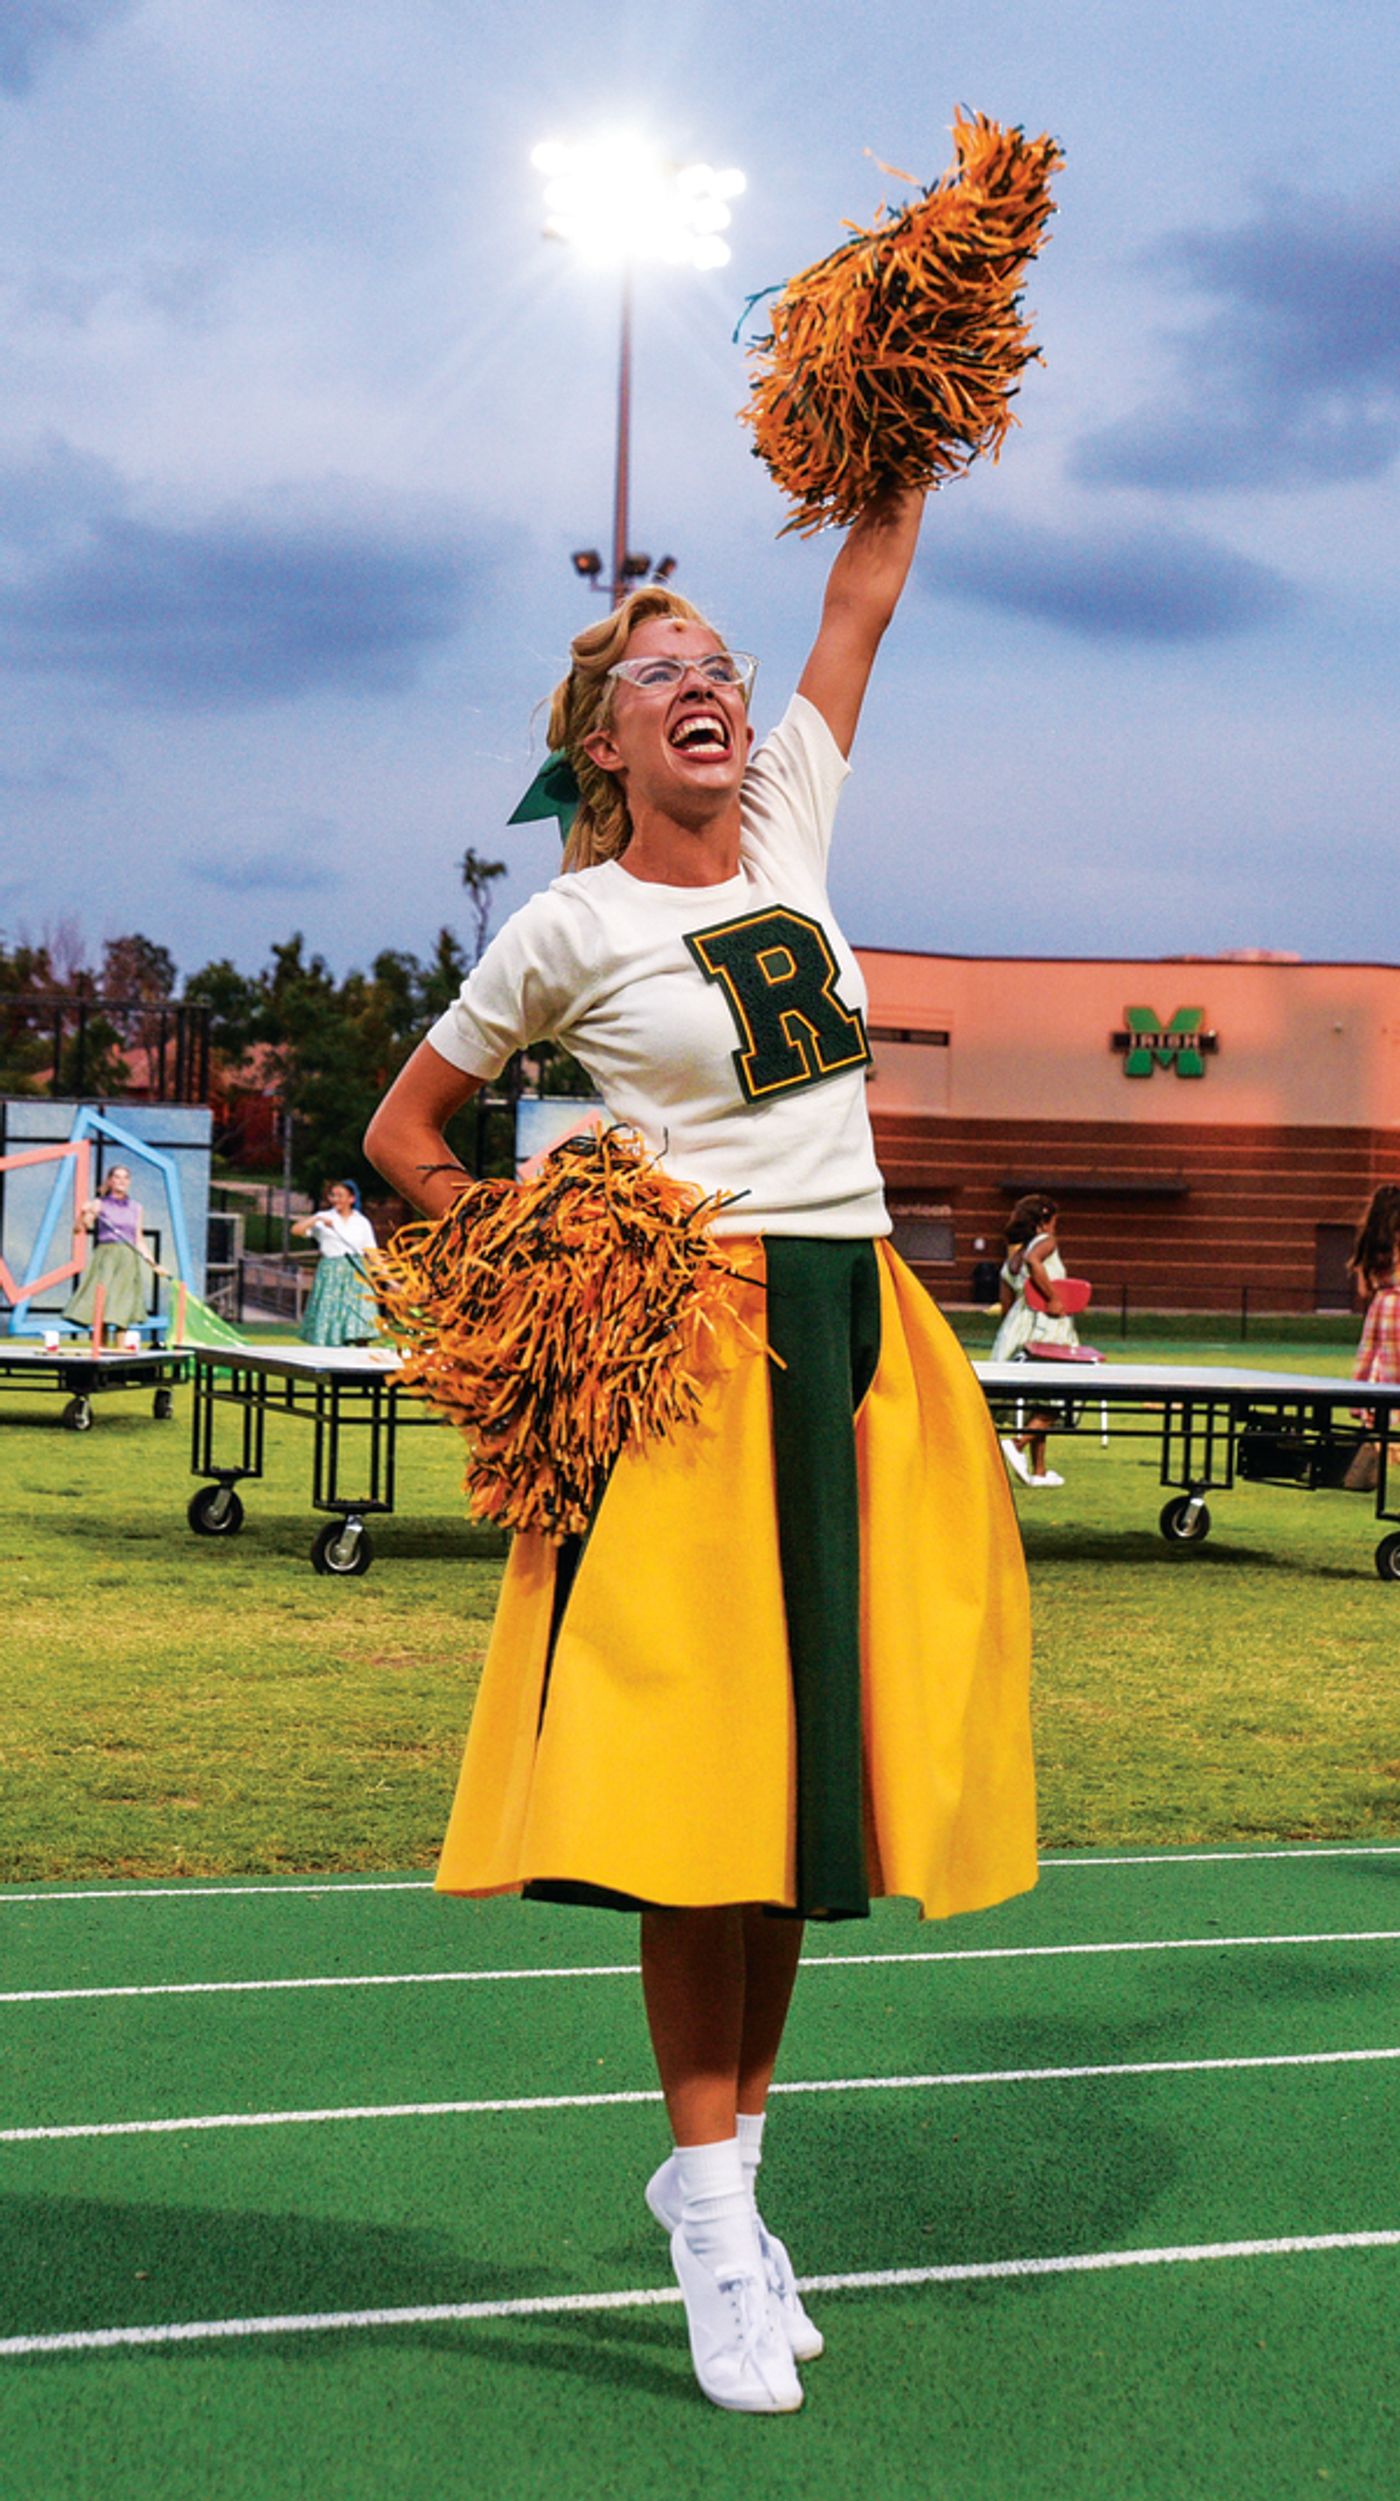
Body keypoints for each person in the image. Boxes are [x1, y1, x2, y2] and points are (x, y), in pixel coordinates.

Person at [365, 488, 1035, 2415]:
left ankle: (725, 2179)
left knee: (805, 1809)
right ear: (603, 741)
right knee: (699, 1799)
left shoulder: (797, 816)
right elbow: (408, 1137)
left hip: (851, 1329)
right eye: (665, 672)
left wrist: (906, 402)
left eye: (720, 667)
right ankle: (716, 2229)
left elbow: (867, 586)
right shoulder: (567, 926)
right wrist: (534, 1288)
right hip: (684, 1370)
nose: (713, 686)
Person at [990, 1193, 1077, 1487]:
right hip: (1046, 1324)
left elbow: (1005, 1304)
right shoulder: (1043, 1245)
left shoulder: (1011, 1258)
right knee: (1057, 1396)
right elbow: (1034, 1262)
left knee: (1038, 1397)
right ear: (1044, 1221)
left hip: (1017, 1326)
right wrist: (1053, 1298)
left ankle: (1039, 1470)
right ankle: (1017, 1444)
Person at [1346, 1183, 1400, 1488]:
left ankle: (1374, 1431)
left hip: (1385, 1309)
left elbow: (1368, 1349)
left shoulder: (1374, 1242)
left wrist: (1357, 1395)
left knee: (1383, 1376)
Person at [63, 1165, 149, 1340]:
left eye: (125, 1177)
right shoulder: (99, 1203)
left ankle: (120, 1355)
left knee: (122, 1307)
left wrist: (153, 1263)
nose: (121, 1181)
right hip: (107, 1256)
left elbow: (138, 1238)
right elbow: (80, 1229)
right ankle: (99, 1352)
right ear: (110, 1181)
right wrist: (84, 1213)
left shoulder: (136, 1207)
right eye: (117, 1177)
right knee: (101, 1304)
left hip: (128, 1257)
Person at [292, 1180, 379, 1345]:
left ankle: (362, 1362)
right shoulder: (324, 1217)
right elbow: (297, 1230)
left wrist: (390, 1280)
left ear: (351, 1199)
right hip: (331, 1272)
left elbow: (372, 1253)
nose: (335, 1199)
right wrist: (316, 1218)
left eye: (340, 1195)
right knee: (331, 1321)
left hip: (355, 1272)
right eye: (333, 1195)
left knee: (361, 1318)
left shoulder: (361, 1222)